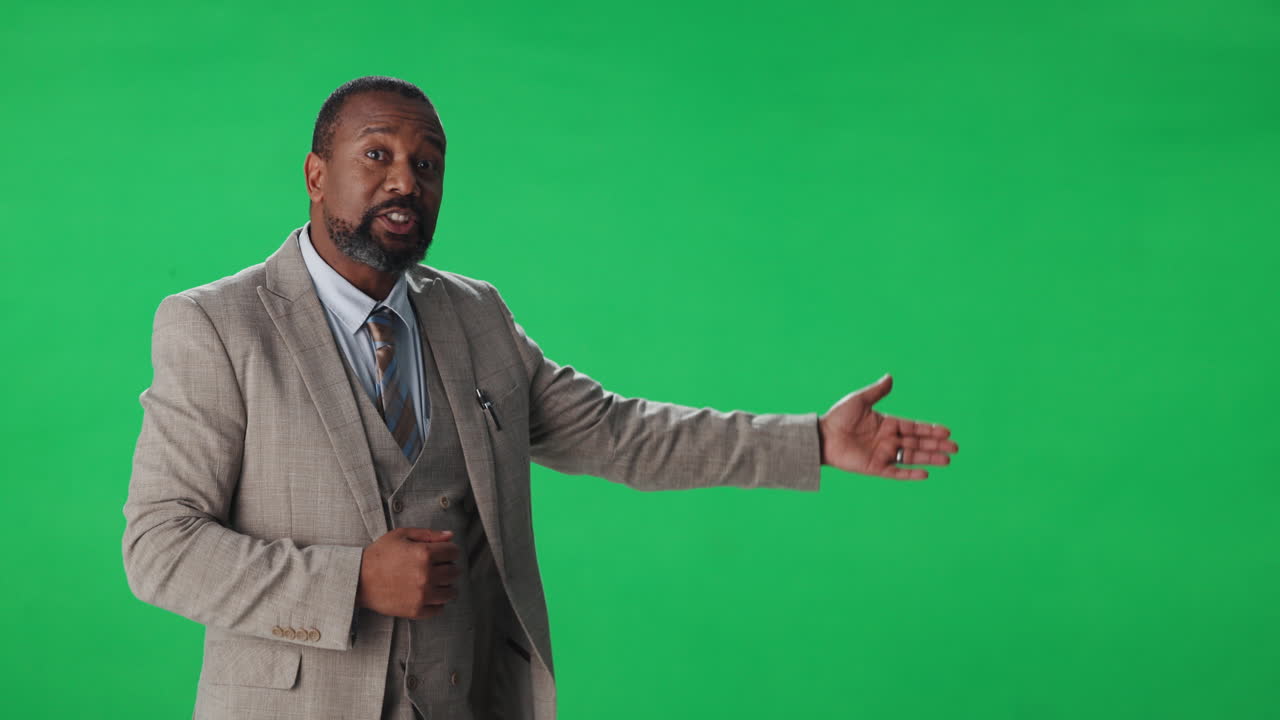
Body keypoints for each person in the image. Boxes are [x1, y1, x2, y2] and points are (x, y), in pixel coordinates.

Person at [122, 75, 958, 720]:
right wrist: (351, 583)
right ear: (315, 172)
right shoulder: (217, 324)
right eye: (377, 154)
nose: (405, 180)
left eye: (427, 163)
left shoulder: (473, 315)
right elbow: (159, 548)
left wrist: (811, 439)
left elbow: (619, 433)